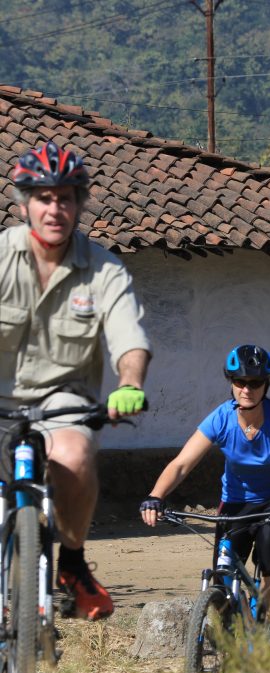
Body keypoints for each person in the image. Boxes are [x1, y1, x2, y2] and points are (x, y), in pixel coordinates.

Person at [0, 141, 151, 620]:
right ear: (25, 203)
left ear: (81, 204)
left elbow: (129, 337)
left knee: (76, 454)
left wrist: (129, 384)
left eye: (67, 197)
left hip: (62, 402)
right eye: (44, 197)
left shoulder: (103, 269)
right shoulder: (1, 256)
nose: (55, 208)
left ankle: (72, 561)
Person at [139, 345, 270, 613]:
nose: (247, 389)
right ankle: (224, 640)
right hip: (236, 502)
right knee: (223, 573)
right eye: (240, 381)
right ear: (231, 383)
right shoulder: (221, 419)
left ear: (266, 385)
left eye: (255, 382)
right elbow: (181, 464)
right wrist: (155, 497)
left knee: (268, 544)